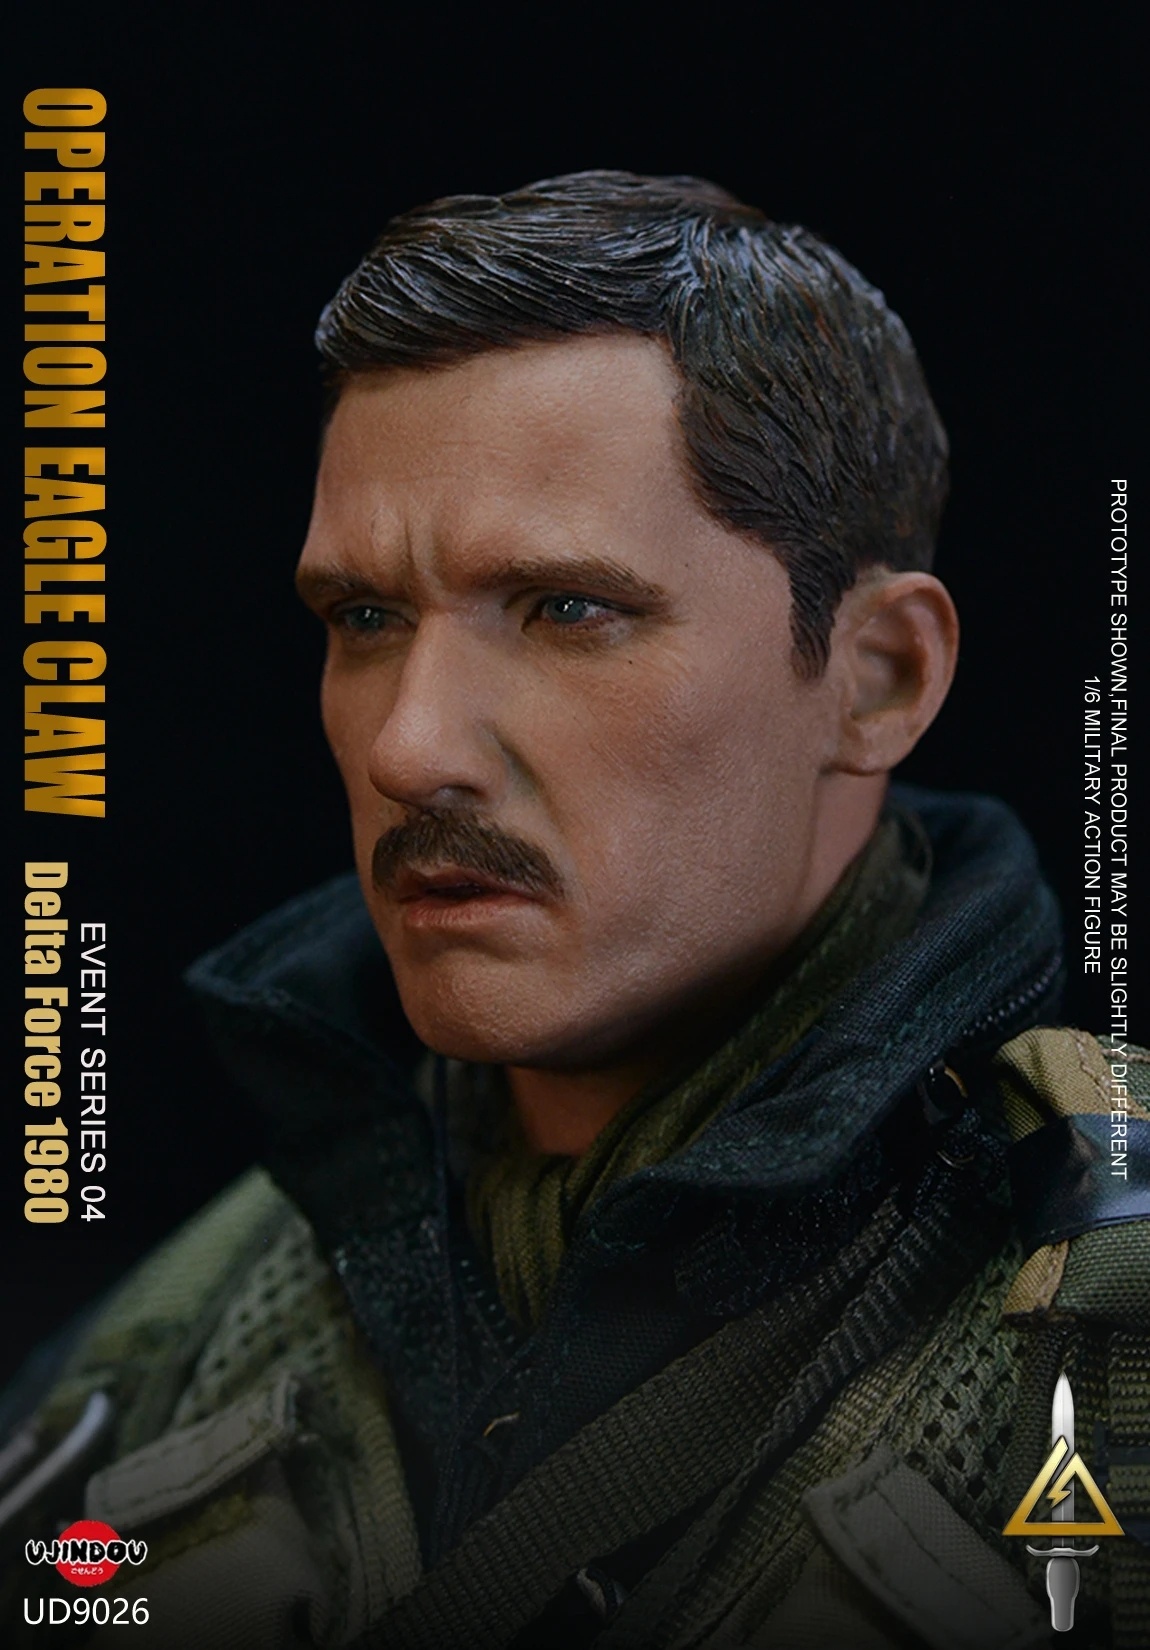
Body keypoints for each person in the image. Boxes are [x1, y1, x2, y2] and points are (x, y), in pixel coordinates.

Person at [2, 171, 1146, 1649]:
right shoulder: (194, 1325)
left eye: (565, 610)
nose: (409, 746)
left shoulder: (1102, 1332)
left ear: (876, 679)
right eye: (364, 618)